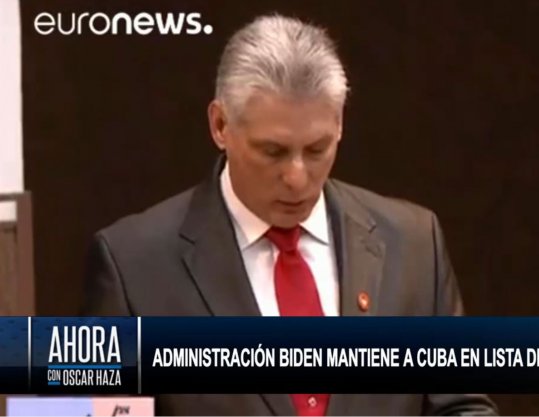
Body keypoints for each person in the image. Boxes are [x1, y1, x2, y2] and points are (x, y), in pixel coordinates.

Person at [81, 13, 498, 416]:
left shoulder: (414, 244)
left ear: (339, 123)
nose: (297, 178)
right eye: (273, 151)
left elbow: (460, 405)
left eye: (317, 149)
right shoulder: (133, 267)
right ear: (220, 125)